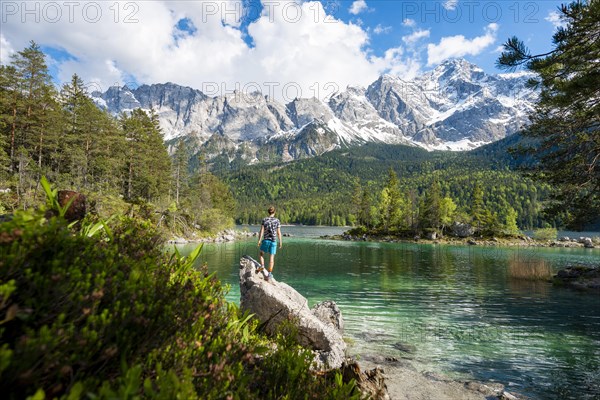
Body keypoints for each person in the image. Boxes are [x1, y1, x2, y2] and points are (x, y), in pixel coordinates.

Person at [257, 206, 282, 281]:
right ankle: (269, 274)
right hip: (273, 241)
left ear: (268, 212)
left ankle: (262, 266)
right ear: (274, 212)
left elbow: (261, 231)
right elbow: (278, 233)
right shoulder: (277, 220)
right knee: (272, 258)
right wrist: (280, 242)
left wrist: (259, 240)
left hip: (266, 240)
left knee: (261, 254)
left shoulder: (264, 220)